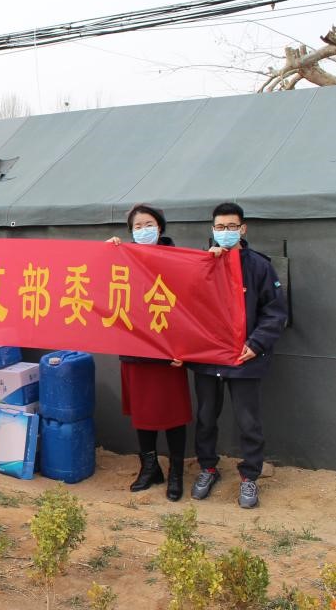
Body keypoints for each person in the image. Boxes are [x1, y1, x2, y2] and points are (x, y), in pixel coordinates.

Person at [190, 202, 288, 509]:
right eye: (220, 227)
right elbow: (183, 306)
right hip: (207, 358)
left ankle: (249, 476)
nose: (226, 232)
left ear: (243, 229)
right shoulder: (200, 263)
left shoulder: (259, 266)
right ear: (212, 230)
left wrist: (256, 344)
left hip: (245, 358)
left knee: (248, 421)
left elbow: (275, 311)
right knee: (205, 417)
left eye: (232, 227)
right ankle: (207, 468)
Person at [107, 204, 191, 501]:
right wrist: (107, 253)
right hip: (135, 349)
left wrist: (187, 348)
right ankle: (150, 467)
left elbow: (191, 304)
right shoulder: (124, 258)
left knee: (173, 414)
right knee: (143, 414)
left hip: (169, 352)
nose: (144, 230)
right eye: (138, 226)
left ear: (161, 227)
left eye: (149, 224)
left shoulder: (180, 260)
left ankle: (177, 472)